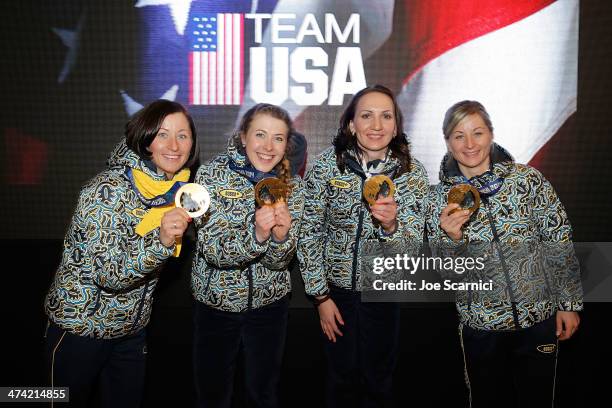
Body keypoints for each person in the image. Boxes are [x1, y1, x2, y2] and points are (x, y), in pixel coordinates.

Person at [427, 100, 583, 407]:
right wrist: (453, 238)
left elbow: (558, 240)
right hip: (481, 327)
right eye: (459, 135)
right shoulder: (437, 201)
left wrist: (569, 304)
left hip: (538, 320)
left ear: (491, 134)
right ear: (447, 141)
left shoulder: (527, 180)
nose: (469, 144)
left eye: (478, 133)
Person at [44, 99, 199, 407]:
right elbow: (108, 274)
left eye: (183, 135)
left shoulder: (175, 192)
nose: (174, 144)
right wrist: (161, 241)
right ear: (145, 139)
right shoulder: (107, 190)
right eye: (163, 134)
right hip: (81, 328)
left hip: (130, 331)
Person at [298, 84, 429, 407]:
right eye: (366, 116)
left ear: (396, 126)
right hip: (336, 293)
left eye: (386, 117)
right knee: (340, 378)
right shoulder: (327, 167)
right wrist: (321, 296)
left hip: (384, 290)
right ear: (351, 124)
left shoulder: (412, 174)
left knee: (379, 381)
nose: (376, 125)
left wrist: (391, 226)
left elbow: (410, 250)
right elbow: (309, 233)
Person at [191, 103, 304, 408]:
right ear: (243, 136)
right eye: (260, 135)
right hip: (217, 304)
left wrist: (280, 238)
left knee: (263, 393)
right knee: (213, 394)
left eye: (278, 138)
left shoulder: (294, 187)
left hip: (270, 307)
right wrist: (256, 235)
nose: (268, 147)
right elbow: (213, 250)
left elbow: (281, 263)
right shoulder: (211, 175)